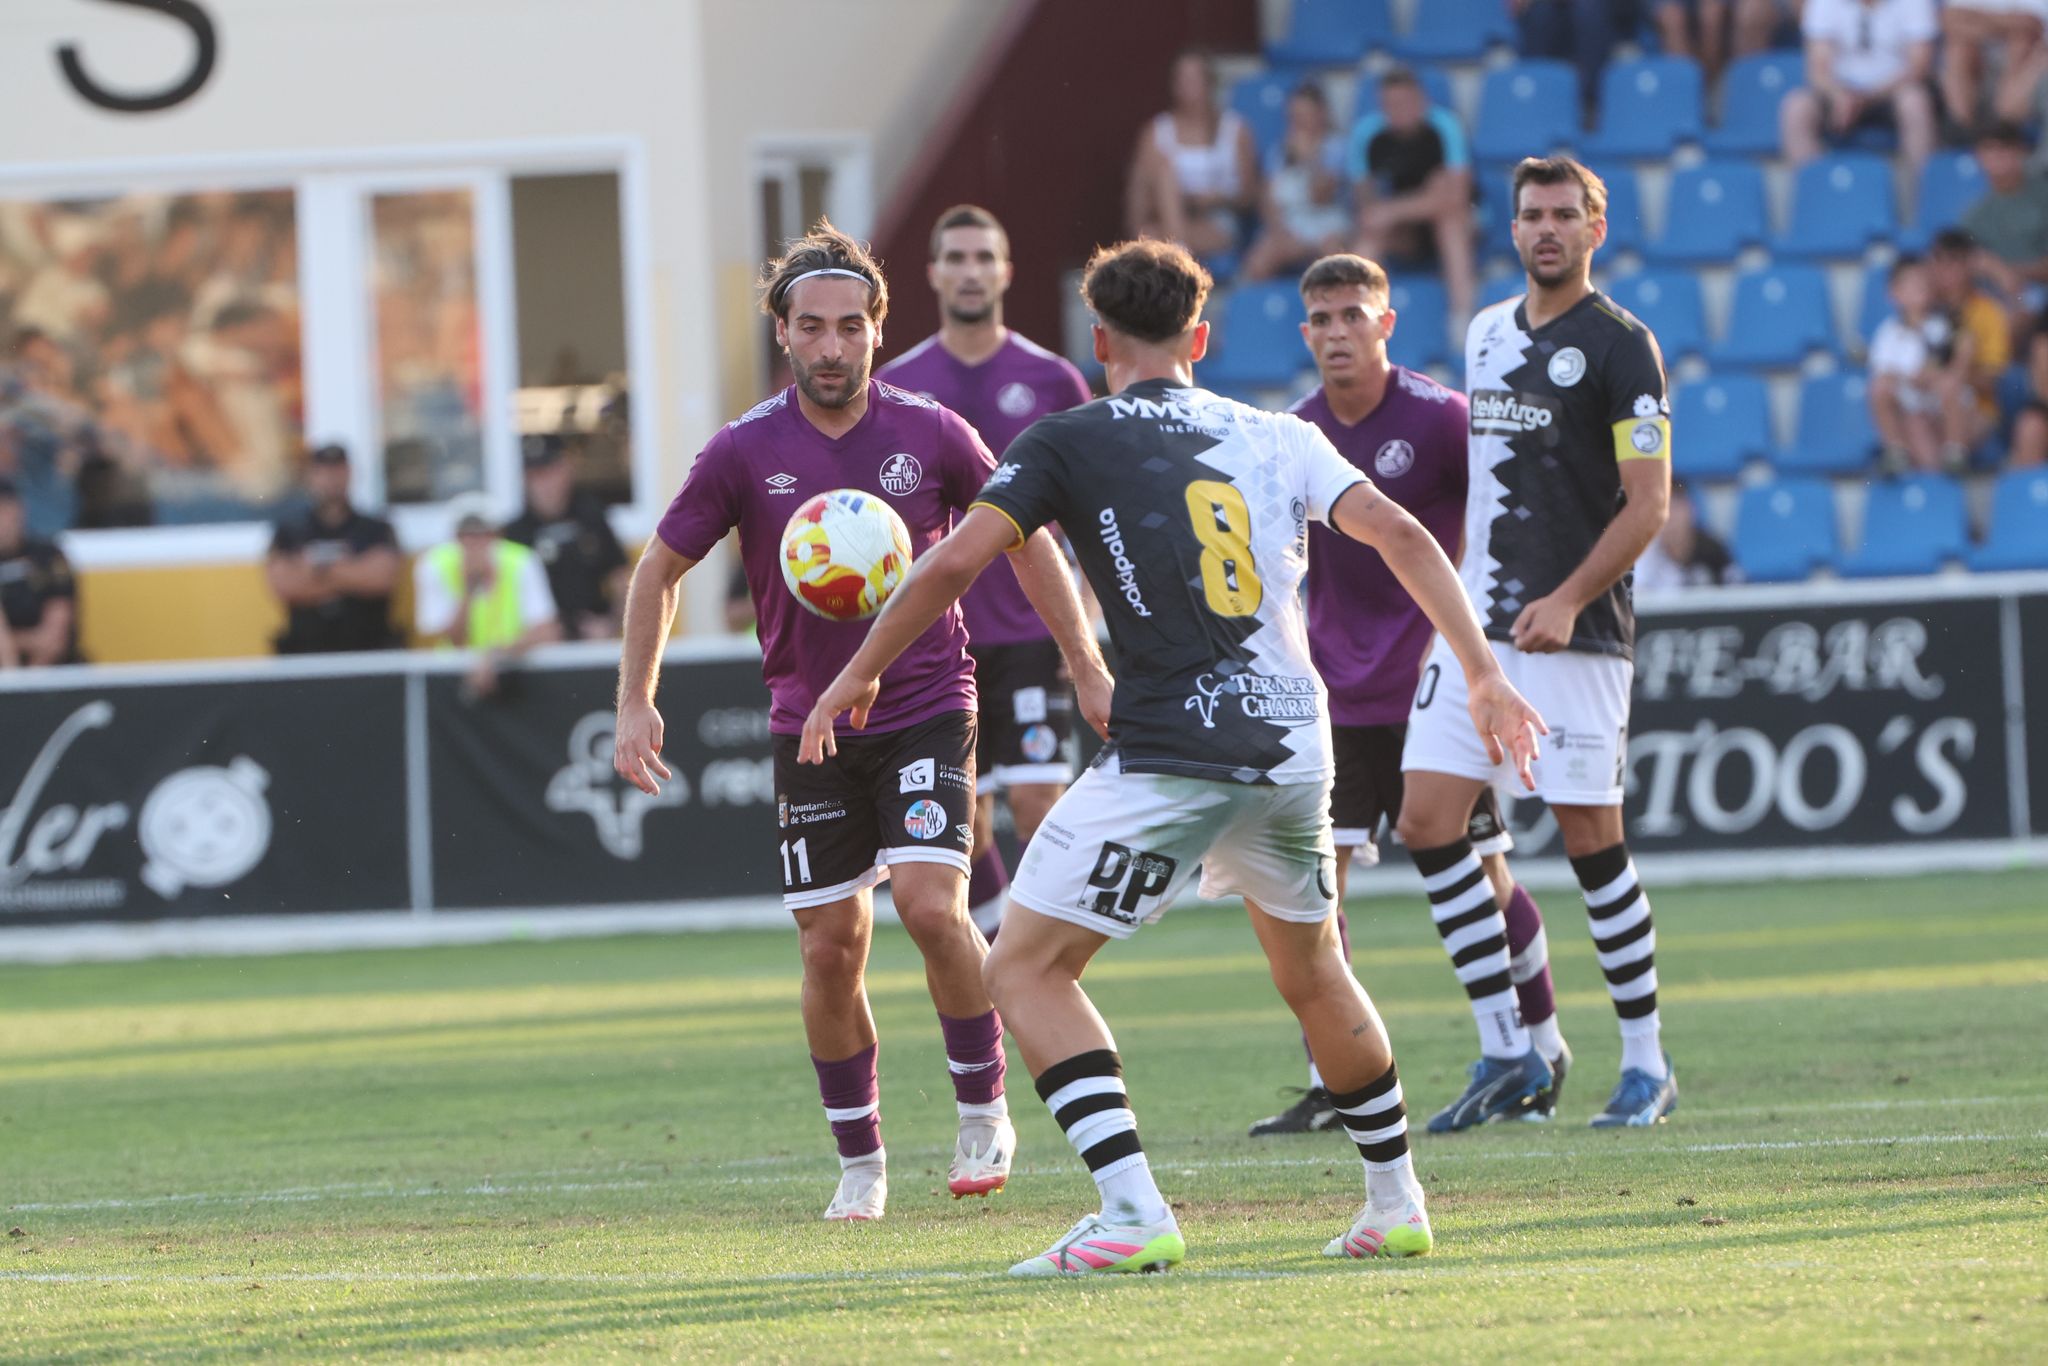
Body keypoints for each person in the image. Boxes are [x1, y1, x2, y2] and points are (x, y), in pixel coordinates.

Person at [799, 238, 1546, 1275]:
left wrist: (855, 675)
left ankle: (1131, 1209)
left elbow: (954, 561)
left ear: (1097, 340)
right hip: (1295, 743)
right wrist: (1480, 672)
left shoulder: (1066, 439)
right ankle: (1395, 1200)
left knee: (1018, 961)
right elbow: (1404, 535)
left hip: (1170, 752)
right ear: (1198, 337)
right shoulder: (1278, 435)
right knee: (1313, 968)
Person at [611, 224, 1104, 1223]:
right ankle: (861, 1158)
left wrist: (1085, 661)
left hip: (927, 702)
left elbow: (1031, 543)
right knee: (830, 948)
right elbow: (659, 568)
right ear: (782, 335)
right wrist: (633, 696)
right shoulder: (744, 449)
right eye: (809, 328)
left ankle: (981, 1105)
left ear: (878, 330)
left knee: (930, 904)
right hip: (809, 728)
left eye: (849, 326)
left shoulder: (931, 434)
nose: (830, 346)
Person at [1247, 253, 1568, 1138]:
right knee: (1317, 892)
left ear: (1387, 324)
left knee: (1485, 874)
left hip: (1434, 689)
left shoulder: (1440, 421)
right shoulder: (1296, 435)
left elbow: (1511, 518)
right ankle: (1330, 1080)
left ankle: (1537, 1043)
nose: (1338, 331)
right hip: (1331, 696)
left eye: (1355, 314)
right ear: (1305, 331)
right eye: (1322, 318)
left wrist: (1492, 658)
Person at [1397, 157, 1678, 1132]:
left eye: (1564, 215)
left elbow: (1648, 505)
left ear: (1594, 228)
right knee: (1428, 820)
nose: (1545, 229)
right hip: (1478, 633)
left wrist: (1564, 597)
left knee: (1590, 844)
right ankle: (1507, 1049)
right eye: (1530, 216)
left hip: (1576, 635)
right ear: (1509, 231)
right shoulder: (1482, 334)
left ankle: (1644, 1061)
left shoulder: (1621, 348)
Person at [876, 206, 1095, 938]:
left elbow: (1092, 506)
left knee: (1038, 802)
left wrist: (1088, 618)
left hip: (1032, 629)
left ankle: (1041, 957)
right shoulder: (899, 386)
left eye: (983, 257)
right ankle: (1006, 955)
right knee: (965, 817)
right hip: (943, 638)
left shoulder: (1052, 378)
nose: (970, 270)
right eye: (956, 257)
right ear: (934, 273)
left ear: (1006, 270)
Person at [1347, 67, 1477, 329]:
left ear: (1422, 100)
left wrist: (1393, 210)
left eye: (1405, 102)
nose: (1399, 109)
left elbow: (1457, 197)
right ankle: (1356, 320)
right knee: (1368, 237)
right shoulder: (1367, 135)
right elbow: (1367, 209)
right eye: (1391, 104)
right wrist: (1418, 203)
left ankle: (1462, 319)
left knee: (1449, 220)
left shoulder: (1444, 127)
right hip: (1403, 232)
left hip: (1455, 223)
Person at [413, 494, 561, 699]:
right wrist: (469, 589)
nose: (474, 543)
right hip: (454, 683)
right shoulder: (434, 565)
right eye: (466, 535)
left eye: (482, 534)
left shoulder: (521, 561)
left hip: (517, 676)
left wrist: (495, 658)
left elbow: (548, 632)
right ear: (455, 538)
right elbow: (445, 640)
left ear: (497, 535)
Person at [264, 443, 402, 654]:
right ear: (311, 476)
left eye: (338, 470)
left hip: (369, 650)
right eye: (324, 471)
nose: (332, 479)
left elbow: (382, 579)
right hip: (306, 652)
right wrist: (353, 573)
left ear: (349, 473)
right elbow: (284, 586)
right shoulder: (289, 531)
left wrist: (317, 571)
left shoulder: (377, 529)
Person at [1781, 0, 1937, 185]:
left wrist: (1868, 96)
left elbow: (1918, 67)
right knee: (1796, 107)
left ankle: (1926, 196)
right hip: (1839, 93)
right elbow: (1818, 70)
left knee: (1915, 102)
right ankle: (1818, 193)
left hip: (1892, 91)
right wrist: (1839, 94)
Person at [1125, 51, 1260, 259]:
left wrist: (1216, 199)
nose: (1187, 86)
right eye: (1181, 79)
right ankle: (1179, 250)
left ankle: (1177, 252)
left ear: (1209, 82)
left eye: (1194, 79)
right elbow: (1139, 195)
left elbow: (1249, 195)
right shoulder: (1156, 131)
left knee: (1156, 244)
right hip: (1167, 218)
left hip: (1217, 221)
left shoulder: (1235, 129)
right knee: (1163, 175)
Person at [501, 442, 629, 641]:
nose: (543, 484)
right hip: (537, 647)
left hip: (591, 639)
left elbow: (622, 579)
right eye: (535, 476)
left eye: (549, 473)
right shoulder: (515, 533)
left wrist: (610, 625)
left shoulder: (592, 517)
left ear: (565, 472)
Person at [1240, 84, 1353, 284]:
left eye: (1304, 115)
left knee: (1335, 257)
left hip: (1329, 224)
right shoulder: (1278, 152)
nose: (1298, 122)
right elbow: (1266, 201)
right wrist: (1280, 232)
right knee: (1259, 260)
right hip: (1290, 224)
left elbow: (1322, 196)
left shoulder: (1337, 147)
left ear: (1321, 114)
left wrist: (1308, 158)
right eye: (1294, 116)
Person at [1927, 227, 2011, 469]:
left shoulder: (1989, 311)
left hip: (1976, 408)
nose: (1945, 270)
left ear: (1969, 265)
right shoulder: (1923, 309)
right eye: (1939, 261)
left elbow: (1992, 379)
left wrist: (1957, 372)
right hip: (1930, 405)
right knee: (1914, 419)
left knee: (1949, 392)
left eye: (1953, 262)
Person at [1869, 255, 1953, 471]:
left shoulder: (1941, 326)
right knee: (1880, 389)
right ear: (1893, 293)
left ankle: (1933, 484)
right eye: (1911, 284)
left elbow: (1937, 370)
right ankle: (1896, 451)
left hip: (1936, 410)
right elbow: (1883, 378)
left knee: (1919, 426)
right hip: (1906, 407)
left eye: (1923, 282)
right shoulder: (1887, 333)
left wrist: (1913, 377)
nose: (1919, 288)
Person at [1959, 121, 2048, 324]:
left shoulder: (2044, 197)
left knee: (2015, 312)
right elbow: (1966, 264)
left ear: (2021, 151)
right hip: (1994, 295)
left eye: (2005, 148)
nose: (1998, 156)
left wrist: (2007, 271)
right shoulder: (1975, 214)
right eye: (1989, 149)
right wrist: (1994, 270)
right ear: (1978, 156)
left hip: (2038, 293)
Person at [0, 475, 81, 665]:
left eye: (4, 510)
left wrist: (27, 687)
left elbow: (53, 639)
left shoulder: (47, 557)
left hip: (54, 672)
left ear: (19, 510)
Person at [1941, 3, 2048, 132]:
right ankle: (1964, 129)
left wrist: (1975, 19)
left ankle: (2007, 126)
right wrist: (2010, 27)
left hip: (2023, 60)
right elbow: (1950, 20)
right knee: (1959, 49)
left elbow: (2031, 24)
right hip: (1981, 59)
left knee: (2021, 44)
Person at [1633, 479, 1735, 590]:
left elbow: (1737, 591)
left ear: (1691, 510)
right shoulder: (1645, 555)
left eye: (1675, 507)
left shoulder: (1713, 552)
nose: (1670, 516)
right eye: (1662, 507)